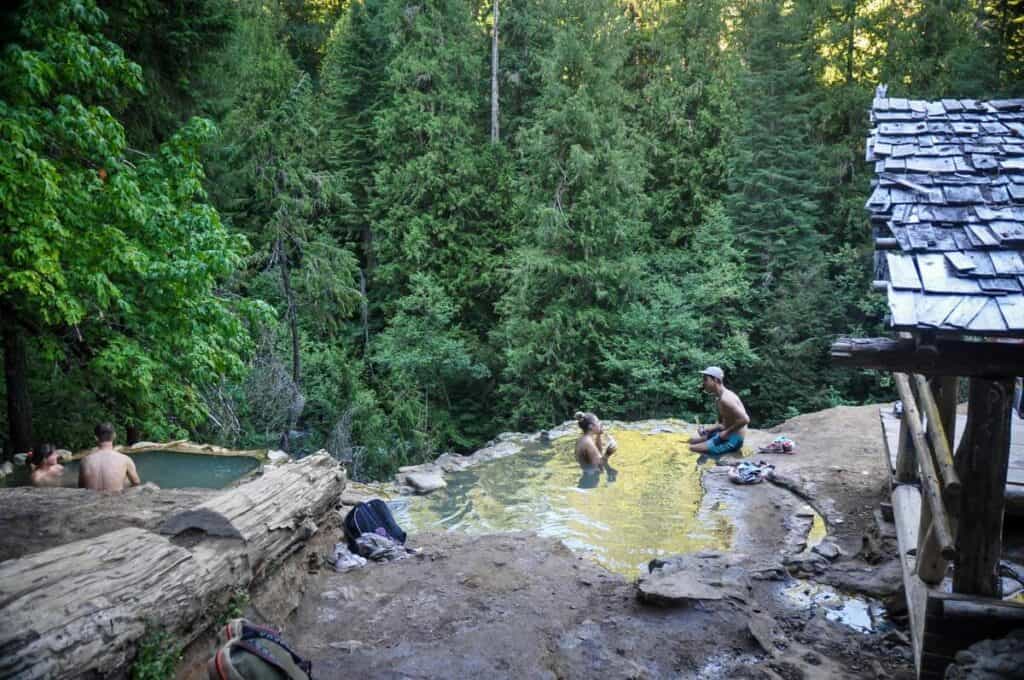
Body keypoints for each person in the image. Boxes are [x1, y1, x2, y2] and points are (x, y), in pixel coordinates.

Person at [689, 366, 749, 457]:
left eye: (706, 380)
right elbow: (723, 423)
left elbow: (745, 419)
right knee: (690, 441)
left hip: (733, 439)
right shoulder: (718, 398)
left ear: (716, 380)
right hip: (724, 434)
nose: (703, 383)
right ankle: (712, 439)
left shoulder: (726, 398)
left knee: (691, 448)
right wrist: (707, 429)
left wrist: (726, 432)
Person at [79, 423, 141, 492]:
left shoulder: (84, 461)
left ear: (96, 438)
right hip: (115, 500)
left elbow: (81, 487)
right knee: (126, 480)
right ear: (114, 436)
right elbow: (136, 483)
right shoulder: (126, 460)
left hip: (90, 501)